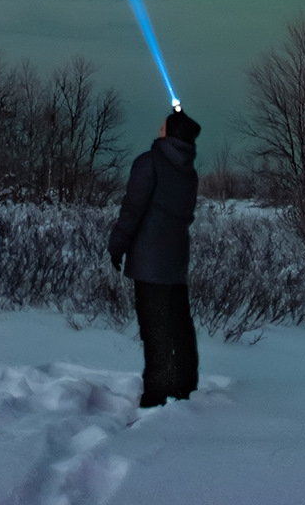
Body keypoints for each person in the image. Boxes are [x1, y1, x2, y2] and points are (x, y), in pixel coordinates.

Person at [107, 104, 201, 407]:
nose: (158, 128)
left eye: (164, 125)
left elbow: (132, 209)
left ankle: (156, 395)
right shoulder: (188, 171)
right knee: (179, 325)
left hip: (150, 260)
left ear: (170, 133)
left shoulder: (149, 163)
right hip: (176, 258)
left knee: (155, 328)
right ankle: (185, 386)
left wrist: (117, 245)